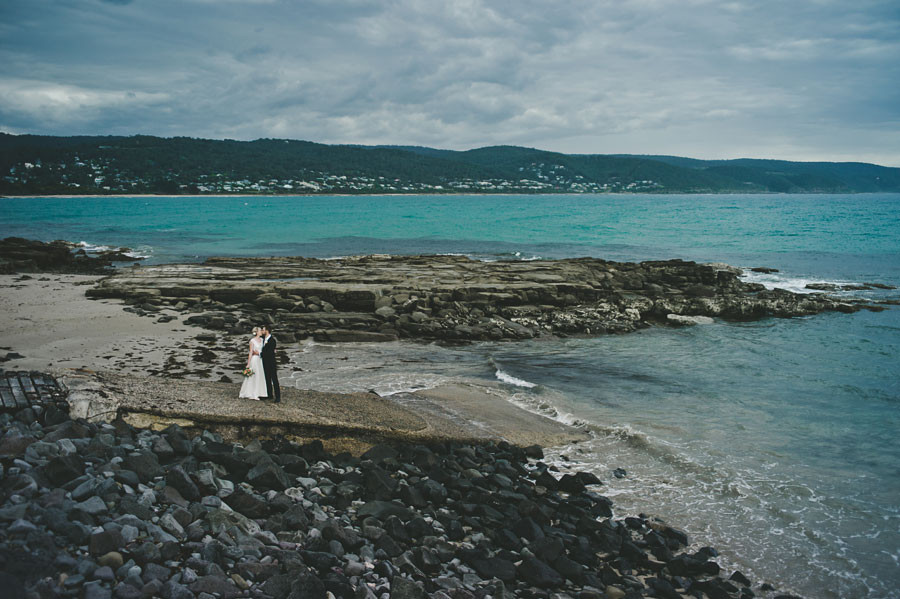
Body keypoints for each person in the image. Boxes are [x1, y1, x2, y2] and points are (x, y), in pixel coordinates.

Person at [239, 327, 267, 400]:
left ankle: (260, 392)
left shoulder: (262, 340)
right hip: (254, 360)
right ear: (256, 332)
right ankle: (253, 393)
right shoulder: (252, 341)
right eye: (260, 330)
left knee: (260, 375)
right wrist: (248, 363)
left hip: (260, 360)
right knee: (254, 375)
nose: (261, 331)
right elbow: (250, 352)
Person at [260, 324, 281, 403]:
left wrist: (260, 354)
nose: (262, 331)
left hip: (271, 363)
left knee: (274, 379)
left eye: (263, 329)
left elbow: (269, 353)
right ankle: (269, 394)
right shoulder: (262, 339)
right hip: (264, 362)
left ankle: (278, 396)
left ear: (267, 330)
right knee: (267, 379)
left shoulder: (272, 340)